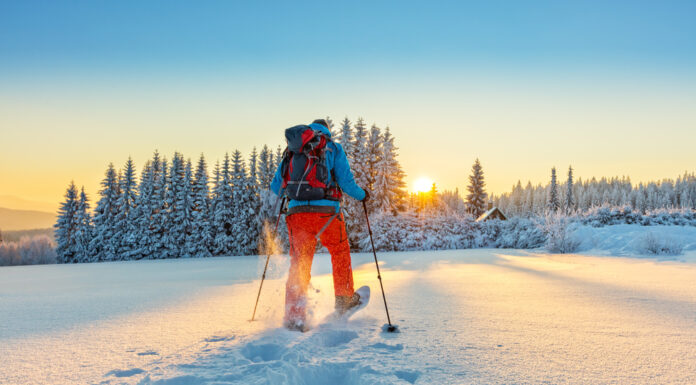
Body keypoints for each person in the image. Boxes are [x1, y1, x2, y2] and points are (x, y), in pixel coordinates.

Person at [270, 119, 368, 331]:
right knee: (339, 251)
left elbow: (276, 186)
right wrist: (363, 196)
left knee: (299, 263)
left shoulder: (292, 150)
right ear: (327, 131)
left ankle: (295, 317)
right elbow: (346, 182)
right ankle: (344, 300)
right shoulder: (332, 147)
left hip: (297, 216)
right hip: (327, 214)